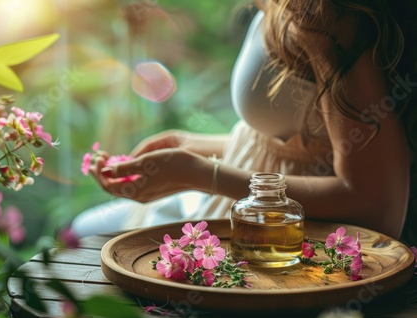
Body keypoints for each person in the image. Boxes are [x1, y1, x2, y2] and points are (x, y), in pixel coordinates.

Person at [73, 0, 417, 245]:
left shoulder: (326, 18)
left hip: (282, 235)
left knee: (87, 242)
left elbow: (376, 206)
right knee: (83, 230)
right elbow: (303, 142)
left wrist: (199, 174)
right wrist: (191, 146)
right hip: (238, 203)